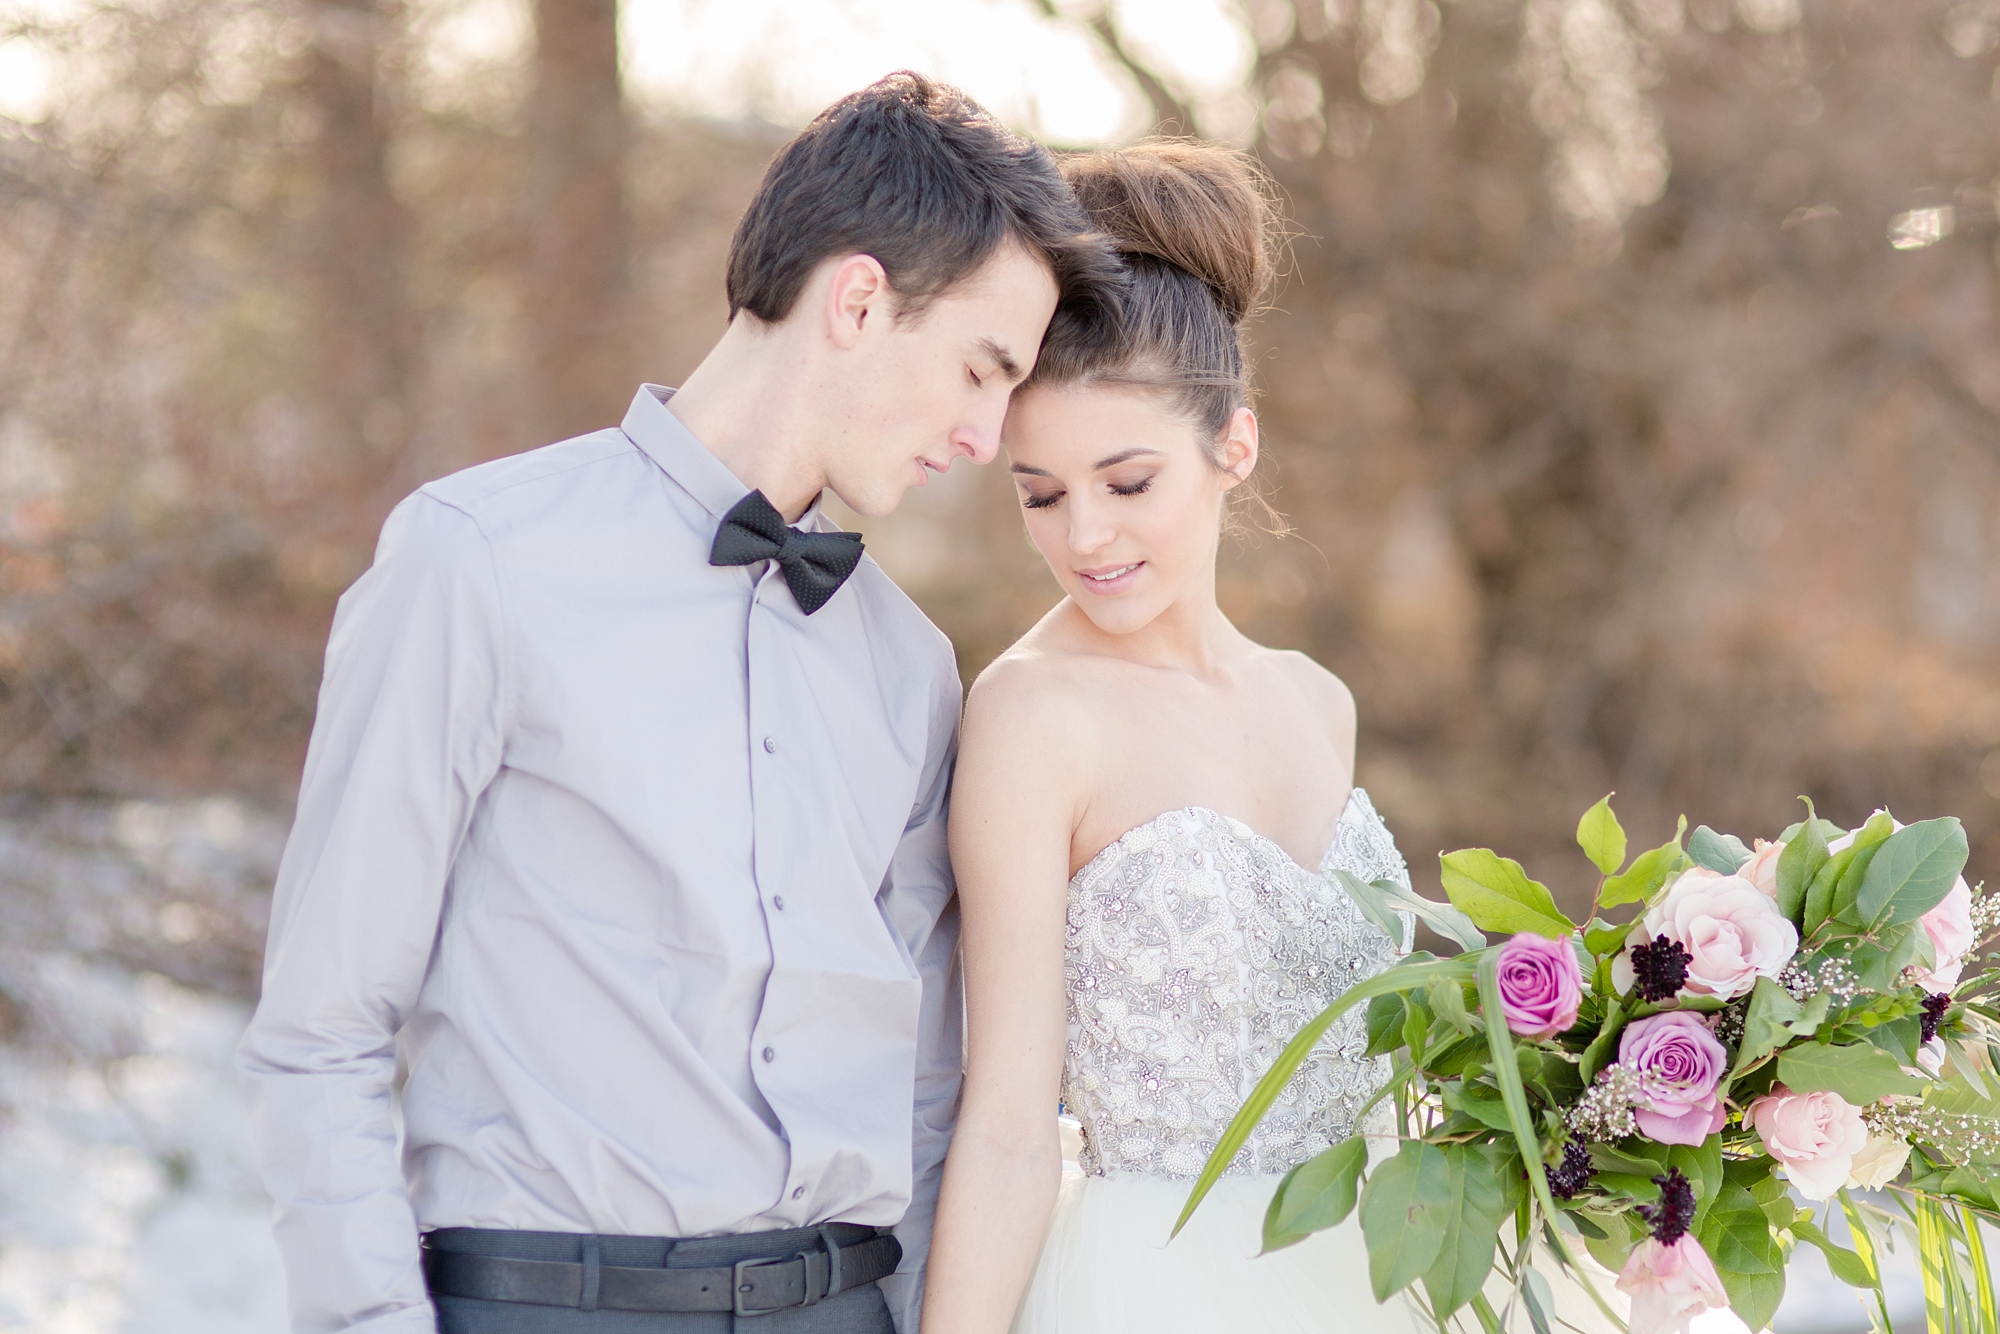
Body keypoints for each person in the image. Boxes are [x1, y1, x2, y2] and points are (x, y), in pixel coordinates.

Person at [236, 73, 1121, 1334]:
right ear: (859, 300)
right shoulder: (475, 560)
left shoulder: (913, 669)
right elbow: (321, 1027)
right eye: (980, 370)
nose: (986, 437)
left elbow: (930, 1087)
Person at [919, 139, 1428, 1334]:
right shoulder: (1029, 714)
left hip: (1369, 1272)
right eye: (1039, 492)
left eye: (1126, 480)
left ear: (1230, 449)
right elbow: (1003, 1122)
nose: (1083, 533)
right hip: (1146, 1285)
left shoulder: (1317, 700)